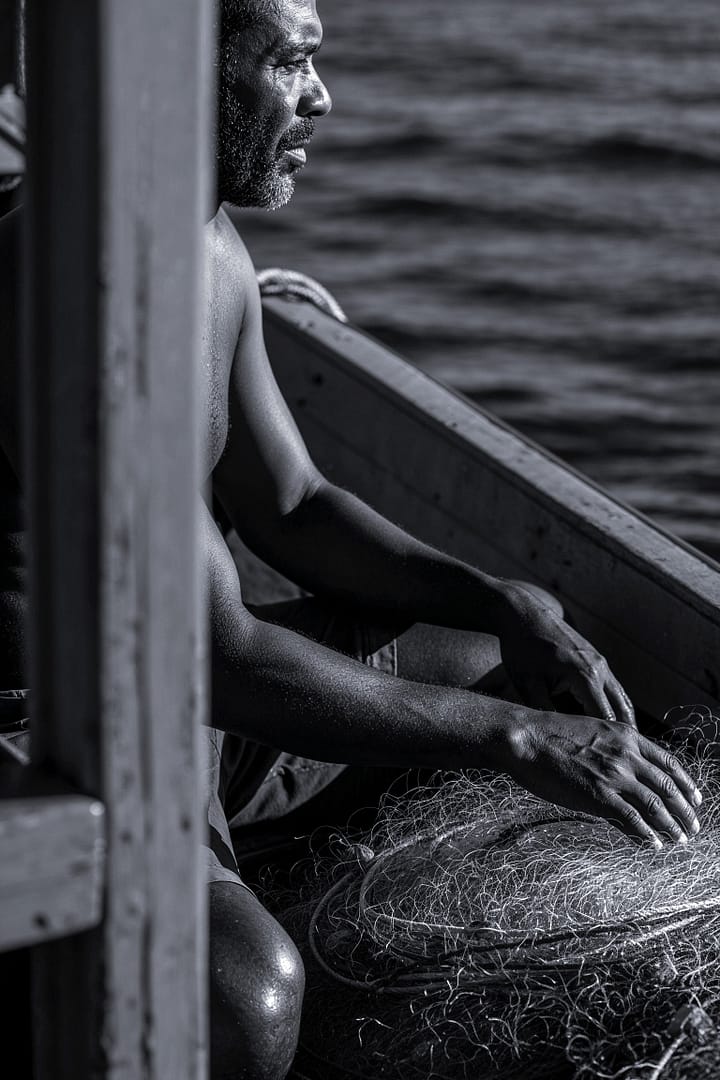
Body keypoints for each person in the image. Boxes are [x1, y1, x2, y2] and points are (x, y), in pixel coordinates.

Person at [0, 1, 704, 1077]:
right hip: (36, 764)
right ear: (185, 71)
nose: (322, 99)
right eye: (290, 62)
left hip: (176, 726)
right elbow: (217, 660)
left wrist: (499, 600)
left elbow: (292, 503)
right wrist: (510, 739)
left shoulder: (207, 242)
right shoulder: (89, 292)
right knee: (247, 1000)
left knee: (510, 671)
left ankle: (223, 865)